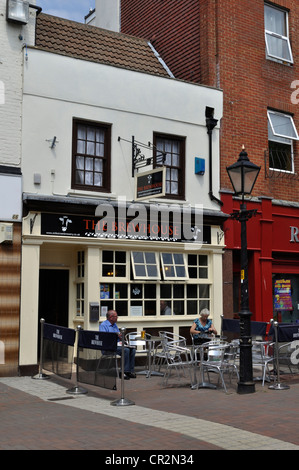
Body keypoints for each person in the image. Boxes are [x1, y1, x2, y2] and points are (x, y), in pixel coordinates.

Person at [99, 310, 136, 380]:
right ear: (111, 317)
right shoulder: (103, 325)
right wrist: (115, 336)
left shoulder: (114, 325)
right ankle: (123, 372)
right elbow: (104, 338)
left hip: (117, 345)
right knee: (126, 350)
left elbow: (118, 335)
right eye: (116, 316)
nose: (117, 318)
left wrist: (120, 336)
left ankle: (130, 371)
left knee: (132, 350)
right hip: (108, 347)